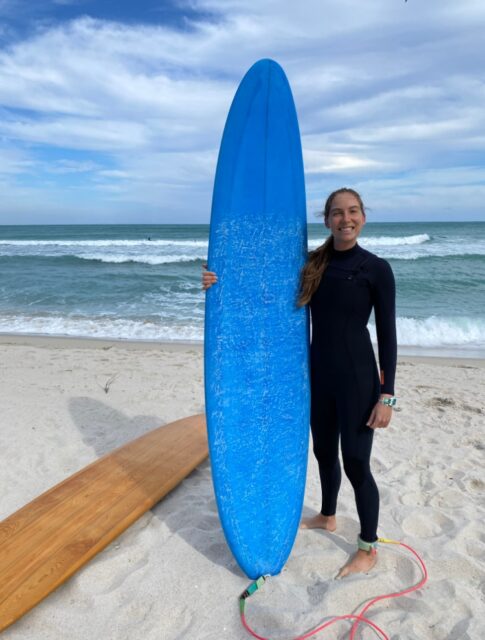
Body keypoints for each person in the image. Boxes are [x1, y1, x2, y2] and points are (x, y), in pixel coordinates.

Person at [202, 187, 397, 578]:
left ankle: (368, 547)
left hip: (359, 379)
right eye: (337, 213)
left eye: (353, 211)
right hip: (317, 375)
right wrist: (217, 281)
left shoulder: (376, 268)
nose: (346, 219)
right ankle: (327, 515)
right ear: (326, 220)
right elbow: (264, 289)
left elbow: (388, 334)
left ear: (363, 216)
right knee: (323, 451)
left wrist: (387, 396)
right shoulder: (312, 265)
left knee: (356, 462)